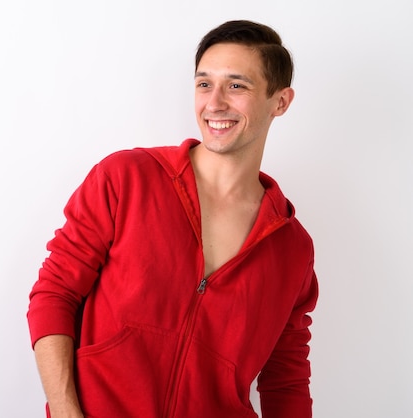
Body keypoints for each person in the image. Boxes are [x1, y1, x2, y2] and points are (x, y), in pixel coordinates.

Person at [27, 20, 318, 418]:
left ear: (280, 102)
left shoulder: (291, 248)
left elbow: (286, 379)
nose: (214, 103)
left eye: (236, 86)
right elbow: (54, 293)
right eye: (203, 84)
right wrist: (65, 412)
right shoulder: (126, 178)